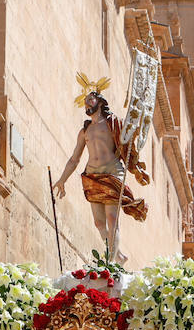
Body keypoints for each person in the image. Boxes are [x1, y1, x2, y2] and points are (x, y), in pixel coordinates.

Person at [51, 85, 149, 262]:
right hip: (92, 176)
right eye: (85, 101)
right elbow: (74, 159)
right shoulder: (85, 131)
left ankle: (111, 263)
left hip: (112, 173)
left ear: (101, 101)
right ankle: (118, 255)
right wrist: (62, 180)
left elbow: (127, 143)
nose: (87, 103)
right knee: (98, 223)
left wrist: (137, 117)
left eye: (90, 99)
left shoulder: (114, 123)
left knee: (112, 220)